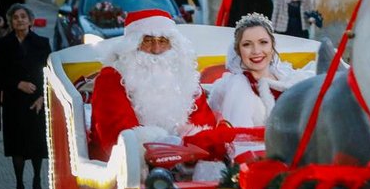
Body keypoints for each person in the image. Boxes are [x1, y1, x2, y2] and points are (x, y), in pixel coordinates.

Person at [88, 9, 216, 162]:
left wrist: (193, 149)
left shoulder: (185, 77)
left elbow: (204, 124)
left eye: (163, 41)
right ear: (132, 46)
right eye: (148, 41)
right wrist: (170, 148)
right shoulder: (111, 78)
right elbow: (118, 138)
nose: (156, 49)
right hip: (124, 169)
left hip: (184, 162)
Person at [208, 13, 314, 128]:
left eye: (263, 42)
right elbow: (242, 139)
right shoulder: (239, 88)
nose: (256, 51)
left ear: (272, 46)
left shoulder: (287, 75)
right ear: (238, 51)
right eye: (247, 44)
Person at [0, 4, 52, 189]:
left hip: (36, 101)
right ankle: (19, 185)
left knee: (36, 146)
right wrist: (17, 84)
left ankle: (37, 181)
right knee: (17, 146)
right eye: (15, 17)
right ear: (11, 22)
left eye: (23, 16)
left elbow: (50, 73)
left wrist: (43, 97)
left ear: (30, 20)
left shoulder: (42, 43)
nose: (19, 20)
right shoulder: (4, 44)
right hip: (13, 101)